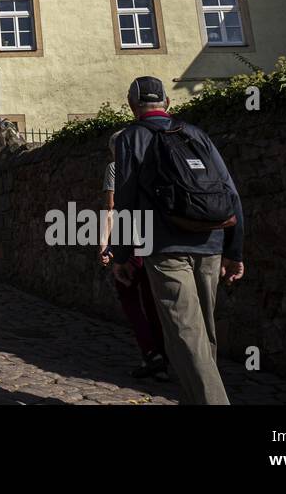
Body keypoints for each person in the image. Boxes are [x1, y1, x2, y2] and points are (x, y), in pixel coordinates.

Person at [111, 76, 245, 405]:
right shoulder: (195, 133)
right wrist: (234, 250)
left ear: (132, 106)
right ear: (167, 103)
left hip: (165, 246)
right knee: (203, 334)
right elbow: (230, 193)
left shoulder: (130, 138)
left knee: (186, 332)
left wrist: (122, 255)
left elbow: (126, 199)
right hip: (211, 242)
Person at [99, 128, 168, 381]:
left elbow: (111, 208)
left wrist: (104, 243)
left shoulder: (115, 168)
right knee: (152, 299)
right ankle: (163, 353)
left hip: (128, 240)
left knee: (128, 296)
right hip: (155, 238)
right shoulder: (152, 164)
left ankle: (151, 353)